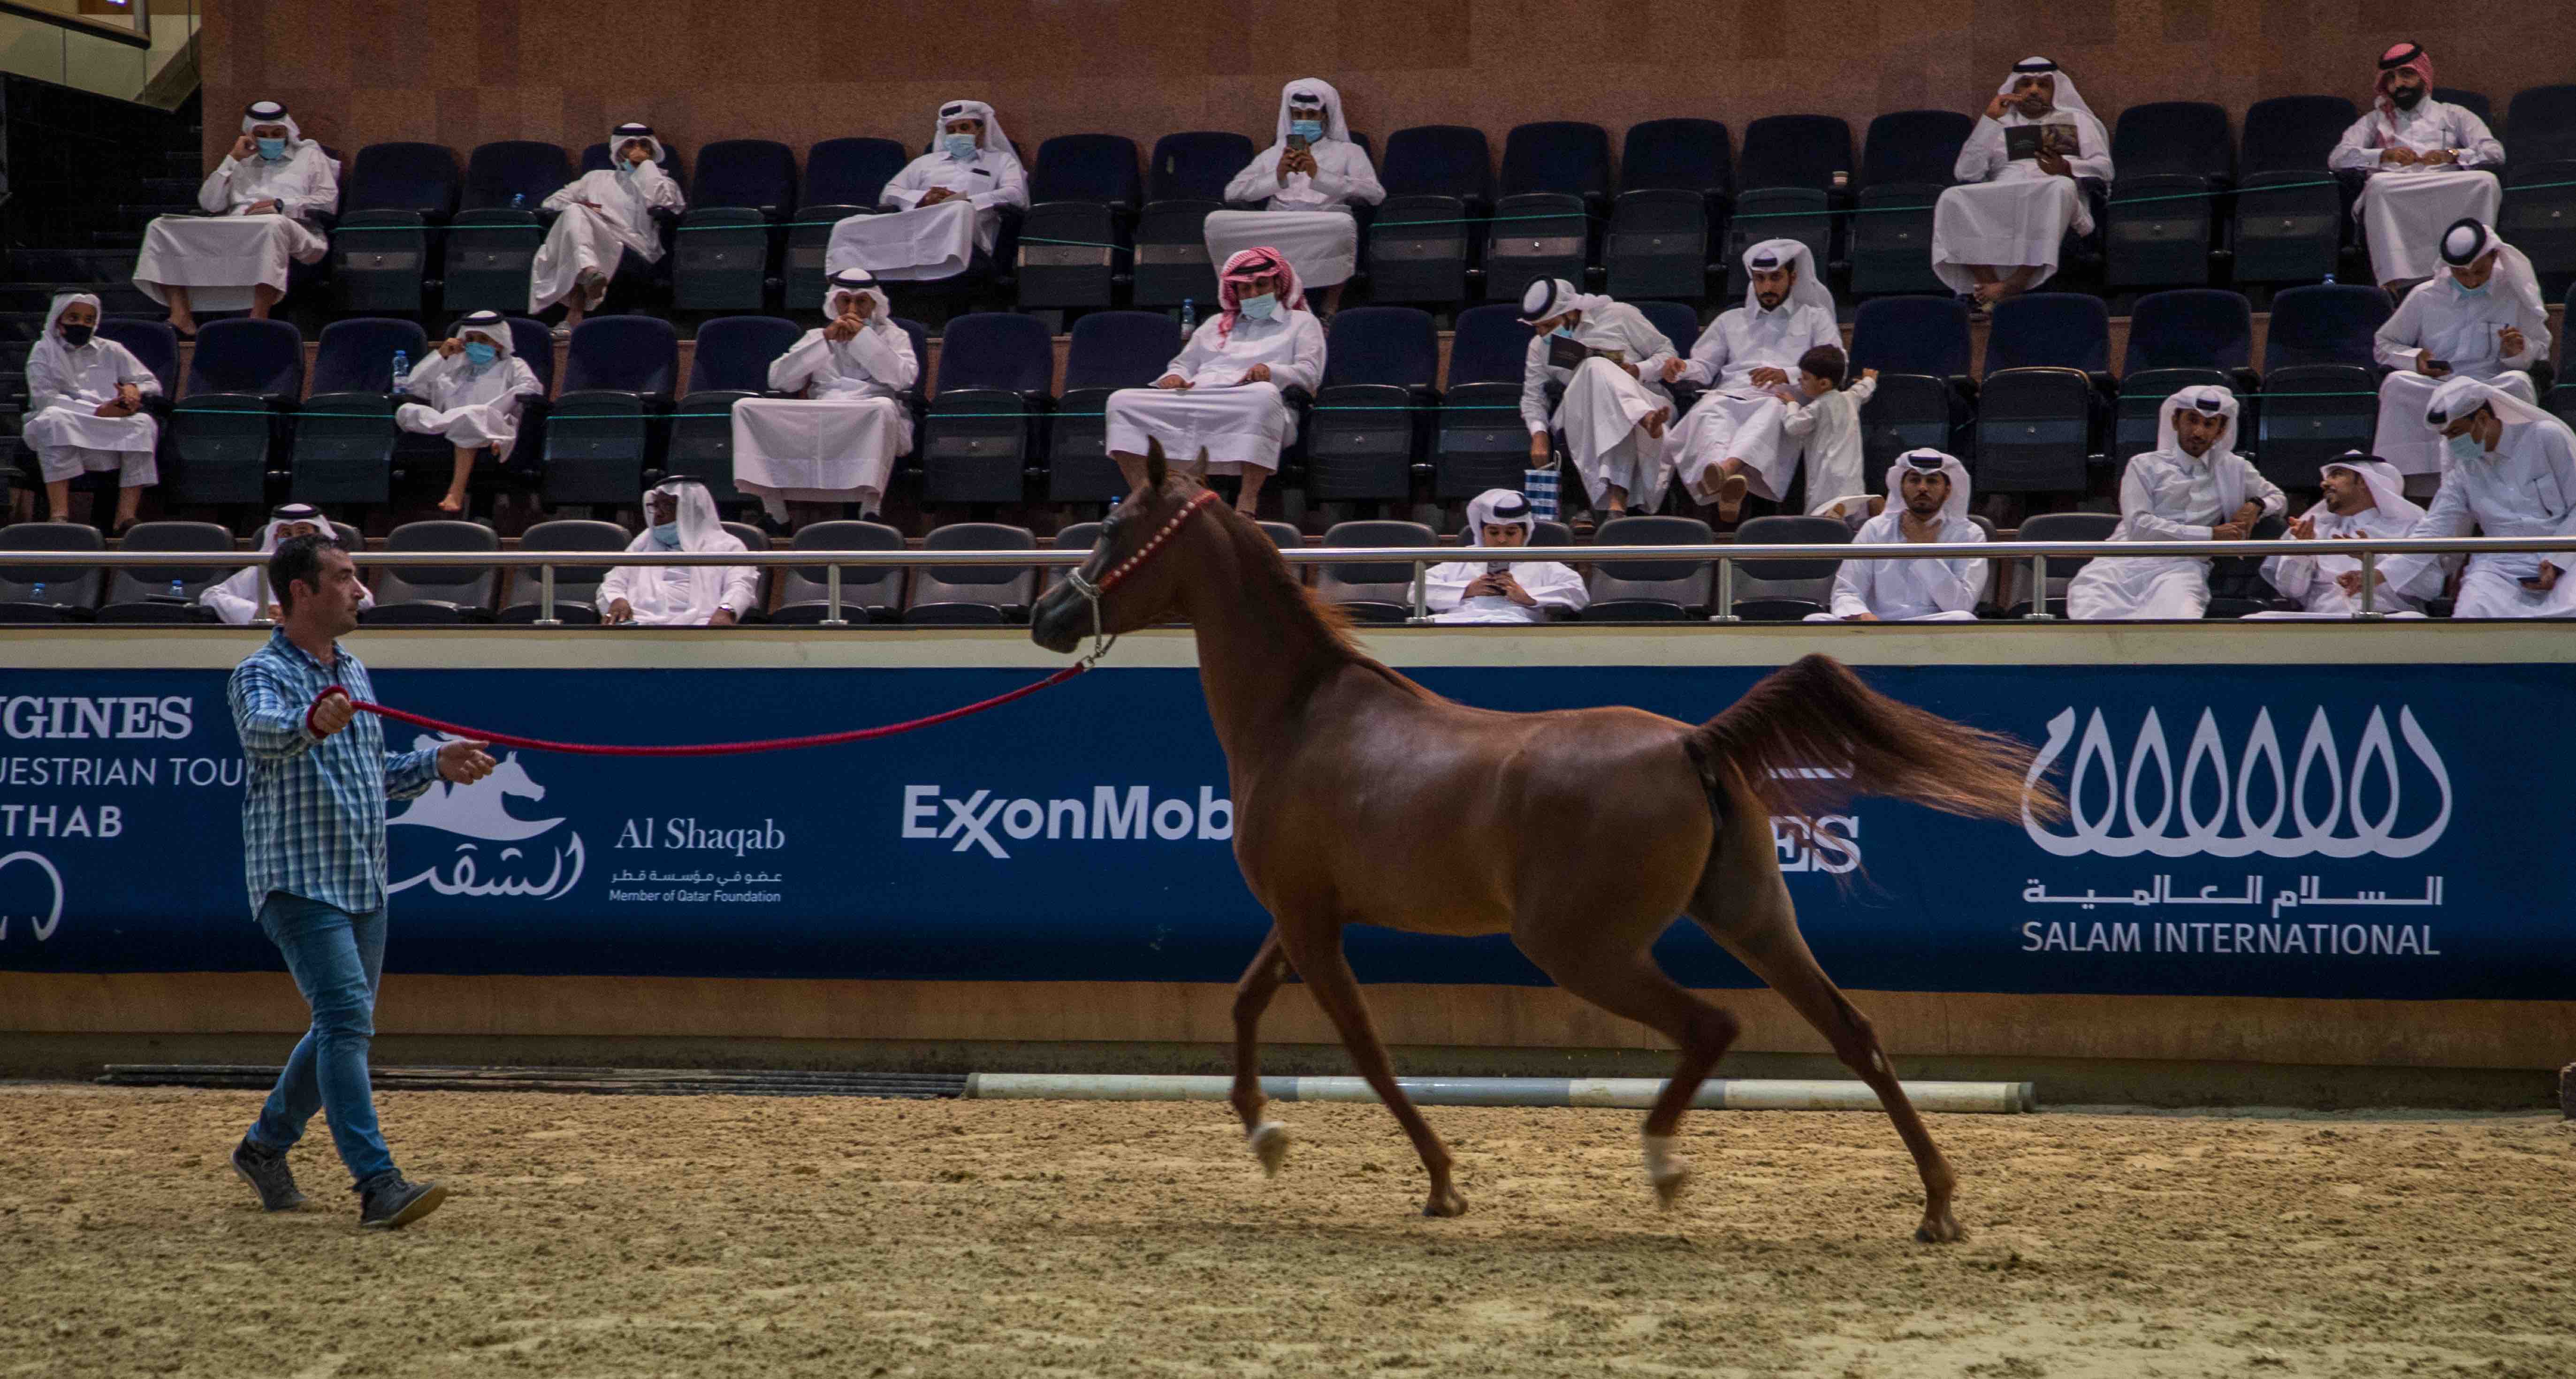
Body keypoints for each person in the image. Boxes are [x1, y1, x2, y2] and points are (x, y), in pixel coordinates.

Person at [225, 532, 492, 1229]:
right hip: (298, 878)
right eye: (344, 578)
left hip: (361, 880)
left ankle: (263, 1148)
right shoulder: (260, 672)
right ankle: (377, 1184)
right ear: (301, 594)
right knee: (346, 1021)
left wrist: (435, 763)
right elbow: (266, 733)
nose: (359, 589)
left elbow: (371, 777)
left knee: (340, 1026)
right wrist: (313, 720)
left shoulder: (354, 669)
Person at [1104, 246, 1323, 515]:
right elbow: (1184, 364)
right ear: (1236, 293)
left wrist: (1272, 371)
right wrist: (1176, 377)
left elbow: (1310, 372)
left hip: (1255, 402)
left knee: (1262, 395)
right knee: (1121, 401)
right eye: (1245, 289)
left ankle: (1247, 501)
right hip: (1200, 396)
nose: (1254, 294)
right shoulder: (1215, 324)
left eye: (1261, 285)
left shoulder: (1301, 322)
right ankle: (1149, 501)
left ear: (1278, 284)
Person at [2067, 385, 2286, 620]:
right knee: (2091, 615)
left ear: (2221, 432)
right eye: (2192, 420)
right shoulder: (2143, 465)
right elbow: (2140, 527)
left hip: (2183, 567)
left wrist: (2256, 505)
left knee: (2178, 622)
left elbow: (2278, 499)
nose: (2199, 432)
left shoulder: (2233, 468)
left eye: (2209, 424)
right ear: (2175, 421)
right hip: (2123, 560)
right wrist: (2210, 535)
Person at [1662, 241, 1842, 523]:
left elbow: (1836, 361)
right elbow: (1705, 366)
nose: (1767, 287)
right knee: (1706, 415)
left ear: (1793, 278)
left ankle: (1726, 472)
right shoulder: (1729, 321)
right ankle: (1726, 484)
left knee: (1768, 416)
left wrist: (1789, 374)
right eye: (1760, 279)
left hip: (1784, 398)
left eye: (1775, 278)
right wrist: (1682, 368)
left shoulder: (1815, 318)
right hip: (1730, 394)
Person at [2370, 377, 2576, 618]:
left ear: (2482, 419)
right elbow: (2435, 528)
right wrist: (2378, 575)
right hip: (2501, 565)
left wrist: (2558, 560)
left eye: (2456, 432)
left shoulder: (2545, 437)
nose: (2452, 443)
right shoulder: (2463, 469)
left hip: (2566, 553)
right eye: (2447, 436)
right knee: (2472, 612)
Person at [729, 269, 918, 530]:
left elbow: (904, 379)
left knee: (883, 409)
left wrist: (863, 338)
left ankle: (870, 509)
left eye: (861, 301)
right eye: (845, 301)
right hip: (821, 412)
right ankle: (776, 514)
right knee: (745, 408)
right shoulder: (817, 335)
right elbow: (779, 380)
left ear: (875, 303)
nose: (852, 308)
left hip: (869, 412)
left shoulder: (895, 336)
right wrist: (826, 341)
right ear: (834, 303)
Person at [132, 100, 340, 336]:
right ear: (251, 135)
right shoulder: (242, 161)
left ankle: (258, 317)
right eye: (262, 134)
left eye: (277, 133)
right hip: (238, 226)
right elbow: (210, 204)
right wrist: (232, 159)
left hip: (297, 228)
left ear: (287, 132)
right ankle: (181, 316)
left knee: (272, 226)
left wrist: (283, 206)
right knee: (161, 226)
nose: (270, 139)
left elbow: (328, 201)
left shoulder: (310, 155)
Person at [2370, 219, 2548, 479]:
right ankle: (2410, 483)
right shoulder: (2425, 296)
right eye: (2462, 274)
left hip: (2490, 384)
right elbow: (2384, 345)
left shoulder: (2514, 293)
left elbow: (2541, 350)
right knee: (2397, 384)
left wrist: (2518, 352)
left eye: (2479, 272)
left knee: (2518, 382)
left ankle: (2518, 475)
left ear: (2495, 257)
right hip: (2438, 385)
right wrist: (2415, 360)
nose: (2472, 281)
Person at [1932, 58, 2111, 308]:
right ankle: (1990, 283)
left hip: (2056, 191)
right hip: (2004, 195)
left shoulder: (2077, 120)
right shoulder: (1999, 123)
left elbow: (2104, 168)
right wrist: (1989, 121)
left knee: (2059, 186)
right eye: (2026, 84)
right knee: (1952, 197)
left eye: (2043, 85)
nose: (2034, 90)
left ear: (2056, 90)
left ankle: (2017, 282)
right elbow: (1966, 173)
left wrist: (2068, 168)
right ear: (2014, 90)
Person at [2332, 43, 2505, 290]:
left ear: (2423, 76)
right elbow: (2338, 158)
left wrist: (2452, 155)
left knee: (2487, 182)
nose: (2399, 84)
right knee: (2379, 186)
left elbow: (2495, 153)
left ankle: (2472, 260)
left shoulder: (2454, 114)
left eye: (2407, 75)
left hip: (2446, 182)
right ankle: (2396, 281)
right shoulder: (2376, 119)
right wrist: (2383, 156)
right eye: (2391, 79)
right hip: (2398, 186)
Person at [1208, 79, 1385, 316]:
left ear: (1325, 116)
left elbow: (1375, 194)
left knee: (1342, 225)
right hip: (1279, 221)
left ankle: (1329, 309)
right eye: (1298, 114)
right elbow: (1233, 192)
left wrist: (1319, 175)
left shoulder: (1349, 152)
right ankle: (1254, 306)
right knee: (1216, 221)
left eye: (1311, 114)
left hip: (1323, 221)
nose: (1304, 120)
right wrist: (1277, 176)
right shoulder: (1274, 154)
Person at [1518, 277, 1679, 524]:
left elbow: (1668, 353)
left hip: (1647, 397)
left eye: (1548, 326)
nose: (1542, 334)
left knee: (1604, 390)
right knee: (1594, 368)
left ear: (1570, 311)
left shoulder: (1620, 315)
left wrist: (1637, 370)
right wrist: (1538, 434)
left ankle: (1615, 503)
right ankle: (1643, 419)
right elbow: (1533, 397)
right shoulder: (1539, 347)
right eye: (1537, 328)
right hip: (1582, 415)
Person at [827, 99, 1029, 283]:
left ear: (980, 130)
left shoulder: (1001, 160)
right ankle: (848, 281)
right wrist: (922, 199)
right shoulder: (925, 163)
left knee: (959, 210)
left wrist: (965, 201)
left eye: (964, 127)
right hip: (920, 227)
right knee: (845, 225)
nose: (957, 134)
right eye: (951, 130)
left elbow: (1016, 195)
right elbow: (889, 192)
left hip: (973, 236)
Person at [21, 293, 160, 530]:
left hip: (110, 421)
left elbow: (151, 383)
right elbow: (46, 399)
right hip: (70, 418)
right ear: (58, 320)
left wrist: (133, 388)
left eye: (88, 319)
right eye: (74, 318)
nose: (82, 325)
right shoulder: (43, 351)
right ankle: (60, 514)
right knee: (53, 421)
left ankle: (125, 518)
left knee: (144, 423)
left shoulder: (111, 349)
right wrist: (97, 411)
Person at [530, 123, 684, 330]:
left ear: (652, 150)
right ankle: (589, 274)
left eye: (644, 145)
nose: (638, 151)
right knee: (575, 211)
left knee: (577, 234)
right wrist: (586, 207)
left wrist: (646, 168)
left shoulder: (663, 182)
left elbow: (664, 203)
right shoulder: (596, 178)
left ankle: (574, 313)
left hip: (636, 249)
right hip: (595, 243)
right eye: (630, 145)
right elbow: (551, 204)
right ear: (618, 150)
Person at [1809, 449, 1987, 622]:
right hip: (1877, 626)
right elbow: (1847, 591)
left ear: (1948, 491)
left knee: (1962, 619)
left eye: (1932, 481)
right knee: (1815, 620)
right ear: (1901, 487)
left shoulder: (1969, 534)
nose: (1923, 488)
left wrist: (1922, 548)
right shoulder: (1875, 529)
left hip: (1932, 626)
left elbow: (1961, 605)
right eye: (1915, 480)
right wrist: (1862, 615)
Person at [395, 311, 545, 515]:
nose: (475, 344)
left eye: (484, 339)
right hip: (448, 423)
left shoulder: (512, 365)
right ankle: (457, 424)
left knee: (472, 416)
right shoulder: (455, 367)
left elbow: (531, 390)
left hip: (493, 421)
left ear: (499, 343)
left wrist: (491, 410)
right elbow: (414, 386)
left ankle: (455, 492)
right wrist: (442, 355)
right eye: (471, 339)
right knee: (406, 410)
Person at [2246, 453, 2429, 619]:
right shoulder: (2314, 528)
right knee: (2255, 620)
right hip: (2323, 622)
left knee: (2414, 620)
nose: (2324, 484)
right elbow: (2290, 591)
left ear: (2366, 481)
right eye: (2326, 478)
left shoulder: (2409, 527)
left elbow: (2429, 588)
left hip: (2387, 619)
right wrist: (2301, 552)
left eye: (2337, 475)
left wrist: (2375, 560)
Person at [598, 477, 759, 626]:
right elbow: (614, 580)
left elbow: (741, 586)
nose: (659, 514)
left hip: (702, 626)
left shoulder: (727, 546)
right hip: (639, 624)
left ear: (692, 510)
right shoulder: (645, 541)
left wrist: (726, 611)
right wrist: (617, 599)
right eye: (656, 506)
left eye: (668, 505)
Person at [1424, 488, 1588, 624]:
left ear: (1525, 534)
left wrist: (1528, 597)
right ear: (1482, 533)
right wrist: (1466, 590)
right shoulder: (1463, 560)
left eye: (1511, 532)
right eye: (1494, 532)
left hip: (1516, 630)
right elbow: (1416, 590)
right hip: (1457, 626)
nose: (1502, 540)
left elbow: (1579, 593)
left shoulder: (1540, 563)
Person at [202, 502, 374, 625]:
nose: (293, 539)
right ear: (276, 538)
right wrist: (258, 610)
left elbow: (366, 601)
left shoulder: (332, 569)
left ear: (317, 534)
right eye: (286, 533)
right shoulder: (262, 570)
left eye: (301, 532)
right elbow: (210, 596)